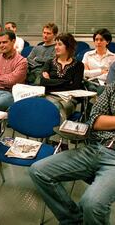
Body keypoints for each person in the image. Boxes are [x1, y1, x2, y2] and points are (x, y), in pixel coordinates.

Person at [29, 83, 115, 225]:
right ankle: (73, 220)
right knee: (38, 171)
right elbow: (95, 120)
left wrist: (108, 121)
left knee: (92, 204)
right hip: (97, 148)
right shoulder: (113, 88)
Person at [40, 33, 84, 119]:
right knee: (40, 105)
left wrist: (50, 82)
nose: (56, 47)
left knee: (55, 108)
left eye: (59, 44)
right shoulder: (49, 62)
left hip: (68, 99)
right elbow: (43, 82)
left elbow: (75, 86)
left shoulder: (78, 65)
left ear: (68, 46)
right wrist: (67, 81)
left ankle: (59, 130)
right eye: (55, 44)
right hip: (48, 96)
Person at [0, 31, 27, 111]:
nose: (1, 45)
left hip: (10, 93)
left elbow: (12, 81)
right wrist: (6, 78)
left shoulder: (21, 61)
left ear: (13, 41)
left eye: (4, 42)